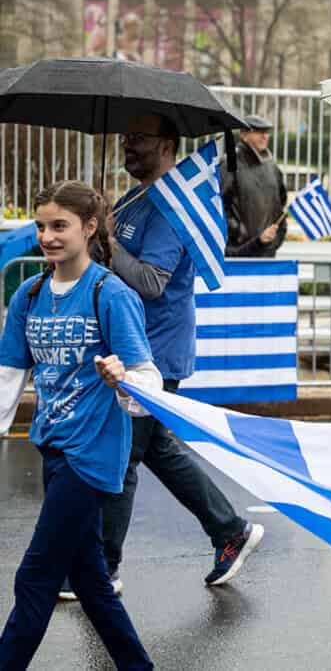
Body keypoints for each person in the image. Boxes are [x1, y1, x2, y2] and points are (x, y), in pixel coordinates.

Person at [68, 114, 263, 600]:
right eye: (126, 137)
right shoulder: (138, 197)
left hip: (155, 353)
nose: (128, 146)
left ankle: (103, 568)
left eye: (138, 138)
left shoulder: (175, 207)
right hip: (131, 345)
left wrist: (109, 242)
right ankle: (230, 530)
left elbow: (153, 282)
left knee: (123, 456)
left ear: (168, 145)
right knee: (152, 448)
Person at [0, 181, 158, 670]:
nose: (47, 237)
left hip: (92, 456)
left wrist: (122, 377)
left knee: (36, 577)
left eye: (59, 226)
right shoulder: (29, 293)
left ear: (89, 229)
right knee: (90, 583)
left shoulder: (110, 294)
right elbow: (9, 375)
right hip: (53, 448)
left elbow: (148, 383)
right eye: (42, 226)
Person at [220, 114, 288, 257]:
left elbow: (280, 202)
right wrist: (238, 233)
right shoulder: (230, 163)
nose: (264, 136)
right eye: (258, 131)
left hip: (267, 248)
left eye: (266, 132)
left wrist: (278, 234)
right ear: (244, 134)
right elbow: (219, 203)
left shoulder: (271, 165)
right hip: (239, 250)